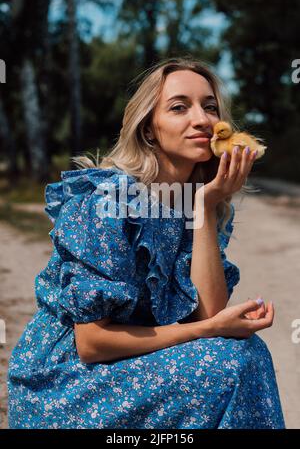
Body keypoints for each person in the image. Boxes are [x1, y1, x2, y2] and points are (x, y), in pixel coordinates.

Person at [7, 57, 285, 429]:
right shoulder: (109, 200)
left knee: (247, 352)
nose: (202, 120)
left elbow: (209, 311)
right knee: (231, 363)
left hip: (132, 366)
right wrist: (208, 330)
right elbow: (92, 343)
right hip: (67, 383)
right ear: (150, 130)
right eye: (179, 107)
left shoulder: (197, 201)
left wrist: (205, 203)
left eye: (210, 106)